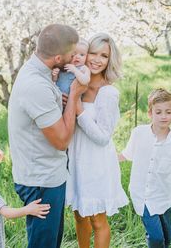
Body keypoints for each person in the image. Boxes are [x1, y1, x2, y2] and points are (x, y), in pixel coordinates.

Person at [8, 24, 87, 248]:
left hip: (46, 174)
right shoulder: (35, 85)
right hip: (41, 180)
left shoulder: (38, 71)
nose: (75, 59)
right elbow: (61, 141)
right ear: (58, 57)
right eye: (72, 55)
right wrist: (73, 96)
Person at [66, 32, 129, 248]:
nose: (96, 59)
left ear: (109, 60)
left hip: (97, 163)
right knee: (79, 215)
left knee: (97, 219)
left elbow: (103, 137)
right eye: (92, 52)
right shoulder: (74, 83)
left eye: (103, 56)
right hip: (75, 158)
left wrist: (78, 107)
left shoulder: (108, 93)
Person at [119, 88, 171, 248]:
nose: (163, 116)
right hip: (142, 197)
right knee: (156, 238)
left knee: (166, 238)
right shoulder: (138, 133)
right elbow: (126, 155)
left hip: (164, 197)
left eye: (168, 112)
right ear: (150, 113)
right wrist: (104, 159)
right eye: (158, 112)